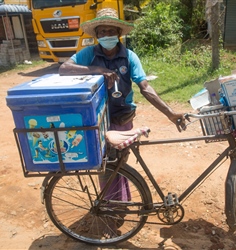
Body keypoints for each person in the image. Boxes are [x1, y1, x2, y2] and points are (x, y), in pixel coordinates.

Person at [59, 7, 186, 237]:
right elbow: (64, 68)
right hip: (100, 120)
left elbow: (145, 87)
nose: (107, 34)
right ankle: (109, 212)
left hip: (123, 118)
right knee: (107, 168)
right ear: (97, 34)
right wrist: (98, 69)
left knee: (121, 165)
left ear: (118, 32)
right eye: (102, 30)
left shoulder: (129, 56)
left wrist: (171, 113)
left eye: (111, 30)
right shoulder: (89, 54)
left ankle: (120, 204)